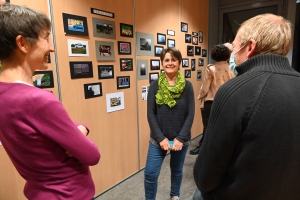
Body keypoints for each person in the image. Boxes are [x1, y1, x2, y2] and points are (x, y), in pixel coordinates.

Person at [193, 14, 299, 199]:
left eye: (234, 46)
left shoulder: (235, 90)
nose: (232, 54)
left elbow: (205, 178)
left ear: (250, 47)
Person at [0, 3, 100, 200]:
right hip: (68, 194)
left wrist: (79, 128)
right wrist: (81, 130)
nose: (52, 47)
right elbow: (92, 155)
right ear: (22, 43)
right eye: (46, 38)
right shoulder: (36, 100)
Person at [144, 47, 195, 200]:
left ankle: (175, 195)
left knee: (177, 170)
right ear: (162, 63)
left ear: (179, 62)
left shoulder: (187, 86)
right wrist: (160, 138)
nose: (170, 63)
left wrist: (180, 138)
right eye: (167, 60)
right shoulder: (154, 86)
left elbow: (190, 114)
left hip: (181, 139)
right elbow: (151, 114)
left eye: (173, 60)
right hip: (158, 139)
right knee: (150, 173)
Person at [189, 44, 235, 155]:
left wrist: (200, 96)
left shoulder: (211, 68)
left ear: (214, 55)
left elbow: (205, 87)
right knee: (223, 127)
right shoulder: (232, 69)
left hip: (210, 102)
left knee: (208, 128)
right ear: (228, 56)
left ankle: (204, 151)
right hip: (227, 102)